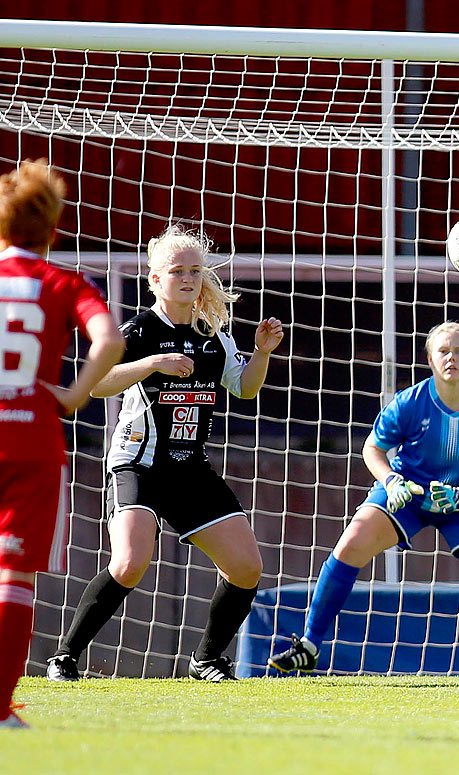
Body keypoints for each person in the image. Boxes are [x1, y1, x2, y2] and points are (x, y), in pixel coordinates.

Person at [46, 225, 282, 684]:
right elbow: (97, 384)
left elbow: (246, 389)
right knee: (130, 563)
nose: (189, 278)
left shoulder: (213, 333)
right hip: (138, 463)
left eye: (195, 270)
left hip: (190, 470)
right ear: (155, 279)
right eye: (177, 271)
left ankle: (206, 660)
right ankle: (65, 657)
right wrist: (153, 363)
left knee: (247, 568)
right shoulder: (139, 330)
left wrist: (261, 353)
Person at [269, 322, 459, 676]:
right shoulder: (410, 401)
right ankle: (308, 645)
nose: (451, 358)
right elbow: (373, 448)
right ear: (430, 358)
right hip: (406, 494)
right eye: (444, 351)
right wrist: (391, 481)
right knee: (351, 543)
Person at [0, 160, 124, 728]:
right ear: (53, 228)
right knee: (13, 577)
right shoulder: (63, 283)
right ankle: (0, 710)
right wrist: (74, 393)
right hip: (33, 440)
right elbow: (109, 338)